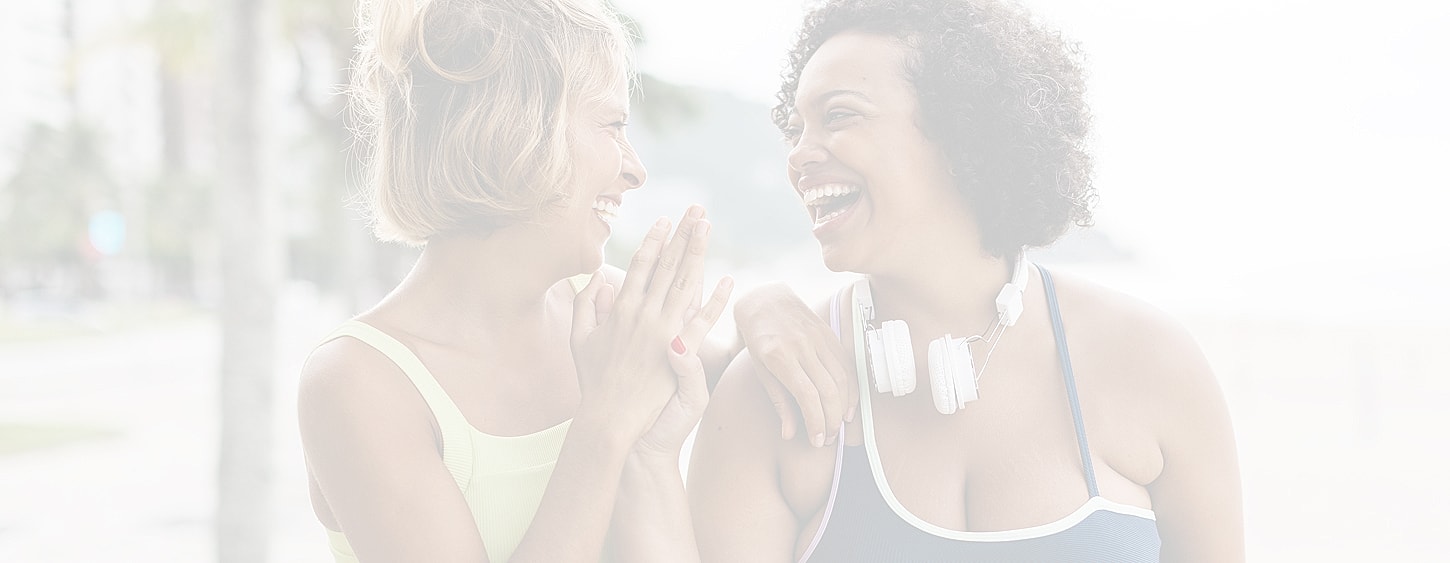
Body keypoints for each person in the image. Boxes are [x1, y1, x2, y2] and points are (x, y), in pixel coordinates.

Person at [690, 0, 1244, 561]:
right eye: (795, 129)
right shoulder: (770, 394)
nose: (798, 155)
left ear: (963, 128)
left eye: (838, 116)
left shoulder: (1151, 362)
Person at [296, 0, 731, 561]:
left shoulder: (606, 310)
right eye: (613, 126)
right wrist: (604, 421)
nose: (635, 169)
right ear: (515, 131)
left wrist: (772, 311)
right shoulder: (356, 382)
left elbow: (757, 383)